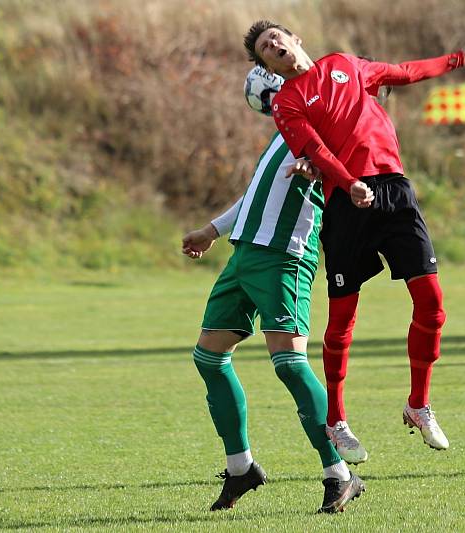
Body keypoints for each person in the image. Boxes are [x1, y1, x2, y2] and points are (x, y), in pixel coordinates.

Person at [243, 21, 465, 461]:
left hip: (394, 191)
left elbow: (403, 72)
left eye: (277, 37)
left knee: (432, 304)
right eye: (265, 48)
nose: (274, 45)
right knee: (342, 319)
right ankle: (336, 421)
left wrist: (458, 58)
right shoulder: (286, 102)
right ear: (267, 65)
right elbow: (314, 150)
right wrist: (347, 181)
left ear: (296, 38)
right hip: (345, 205)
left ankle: (419, 405)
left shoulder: (344, 65)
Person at [181, 68, 365, 514]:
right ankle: (241, 467)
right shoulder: (286, 131)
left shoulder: (331, 127)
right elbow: (257, 196)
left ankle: (339, 472)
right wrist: (212, 229)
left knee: (289, 363)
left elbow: (350, 172)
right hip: (244, 253)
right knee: (209, 355)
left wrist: (317, 166)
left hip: (285, 255)